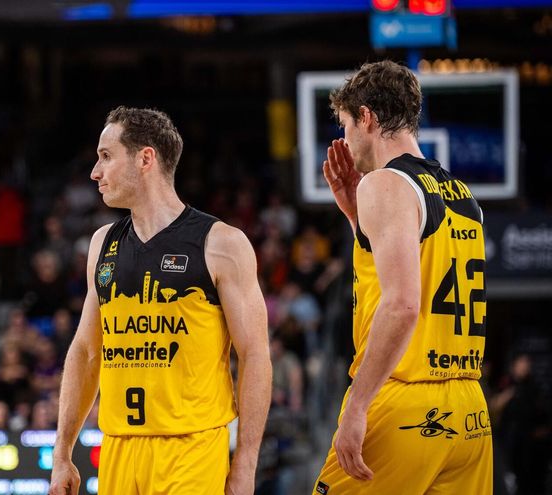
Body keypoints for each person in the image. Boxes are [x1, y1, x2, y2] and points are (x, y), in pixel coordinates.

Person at [50, 106, 272, 494]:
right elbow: (86, 351)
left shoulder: (221, 243)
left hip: (192, 448)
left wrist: (245, 464)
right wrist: (62, 453)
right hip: (118, 448)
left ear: (145, 158)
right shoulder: (103, 243)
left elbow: (254, 355)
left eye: (105, 157)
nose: (94, 173)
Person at [313, 60, 491, 493]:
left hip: (406, 403)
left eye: (346, 124)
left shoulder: (385, 184)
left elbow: (404, 304)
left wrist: (356, 405)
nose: (345, 138)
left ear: (367, 118)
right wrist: (356, 215)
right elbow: (423, 278)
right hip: (469, 411)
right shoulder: (463, 195)